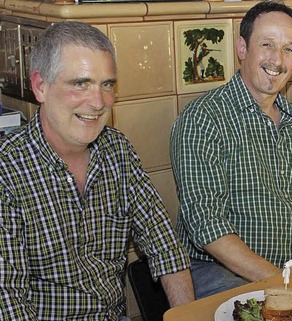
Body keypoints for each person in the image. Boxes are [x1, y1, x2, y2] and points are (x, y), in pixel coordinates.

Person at [170, 1, 292, 299]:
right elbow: (206, 224)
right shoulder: (203, 118)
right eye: (267, 45)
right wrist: (281, 277)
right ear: (242, 48)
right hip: (219, 271)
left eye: (288, 49)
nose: (278, 59)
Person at [0, 21, 194, 320]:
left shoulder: (118, 151)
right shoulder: (7, 170)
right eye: (80, 83)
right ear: (40, 86)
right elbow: (8, 300)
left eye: (107, 84)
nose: (99, 102)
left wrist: (186, 316)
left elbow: (165, 248)